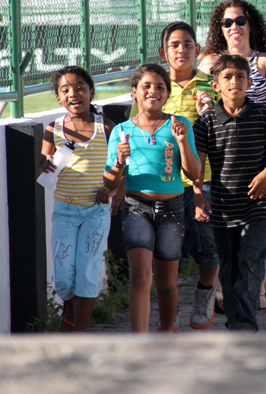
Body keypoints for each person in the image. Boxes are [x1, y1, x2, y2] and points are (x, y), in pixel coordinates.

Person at [199, 0, 266, 310]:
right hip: (222, 156)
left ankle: (257, 290)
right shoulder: (210, 62)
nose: (234, 27)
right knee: (223, 223)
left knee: (261, 219)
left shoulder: (264, 61)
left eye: (240, 21)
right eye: (227, 22)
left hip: (262, 152)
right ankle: (223, 291)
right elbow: (199, 99)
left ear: (251, 25)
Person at [104, 64, 202, 333]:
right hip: (136, 209)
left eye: (160, 87)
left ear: (167, 94)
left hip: (172, 209)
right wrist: (120, 163)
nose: (153, 91)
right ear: (134, 92)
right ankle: (140, 342)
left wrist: (182, 143)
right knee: (141, 277)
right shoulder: (121, 131)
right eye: (146, 86)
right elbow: (109, 184)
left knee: (167, 284)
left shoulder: (179, 125)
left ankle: (167, 331)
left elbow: (195, 174)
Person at [138, 21, 220, 330]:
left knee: (207, 246)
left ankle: (205, 290)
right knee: (165, 253)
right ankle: (166, 318)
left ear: (197, 50)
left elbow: (221, 130)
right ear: (163, 52)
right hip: (164, 183)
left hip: (204, 179)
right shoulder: (155, 87)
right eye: (174, 45)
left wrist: (207, 112)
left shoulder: (210, 85)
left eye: (187, 44)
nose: (181, 50)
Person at [40, 66, 119, 332]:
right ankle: (69, 324)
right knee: (64, 278)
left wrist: (110, 189)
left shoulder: (105, 127)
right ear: (59, 98)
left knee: (86, 275)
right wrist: (46, 166)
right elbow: (43, 164)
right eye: (66, 90)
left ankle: (76, 336)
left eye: (80, 88)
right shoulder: (53, 129)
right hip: (64, 212)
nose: (74, 93)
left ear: (91, 92)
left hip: (95, 212)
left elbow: (121, 165)